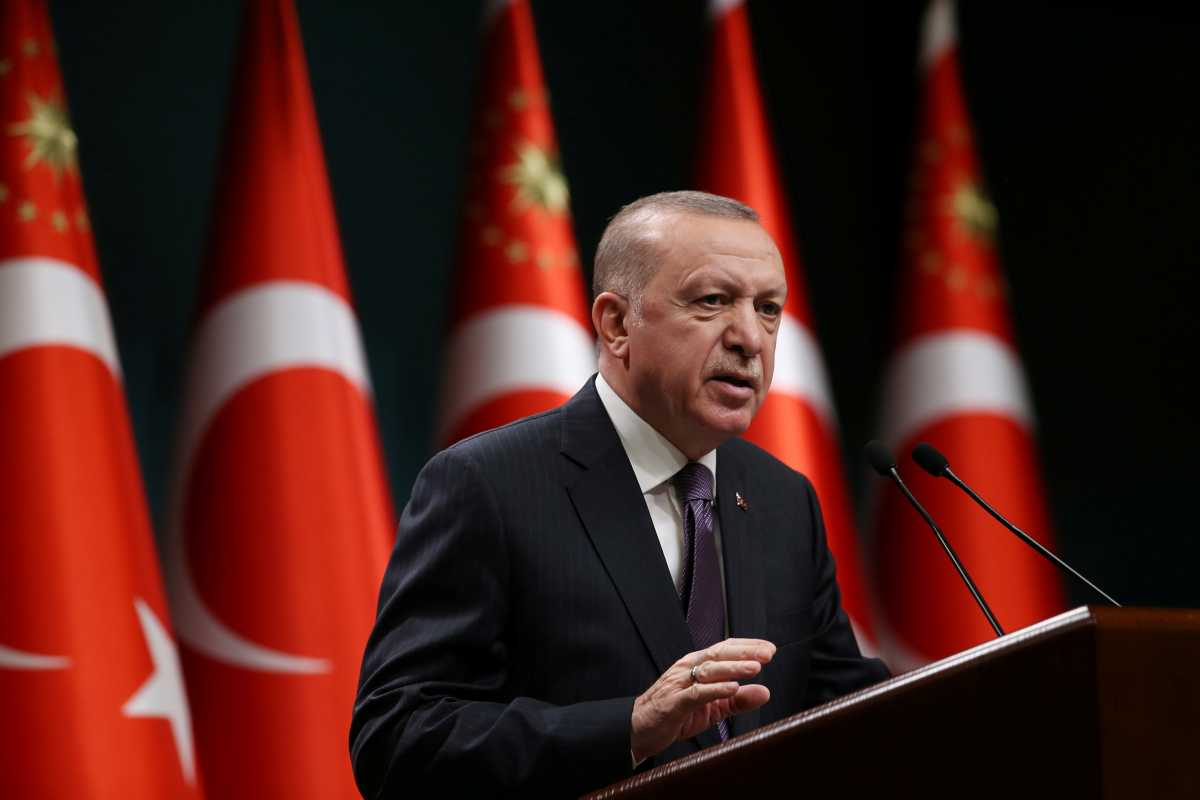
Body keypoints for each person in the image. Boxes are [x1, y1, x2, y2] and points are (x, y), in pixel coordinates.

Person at [350, 191, 889, 797]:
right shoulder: (489, 485)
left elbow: (854, 712)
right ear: (616, 324)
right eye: (711, 301)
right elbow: (397, 738)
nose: (749, 338)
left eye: (768, 309)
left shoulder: (783, 500)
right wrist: (629, 727)